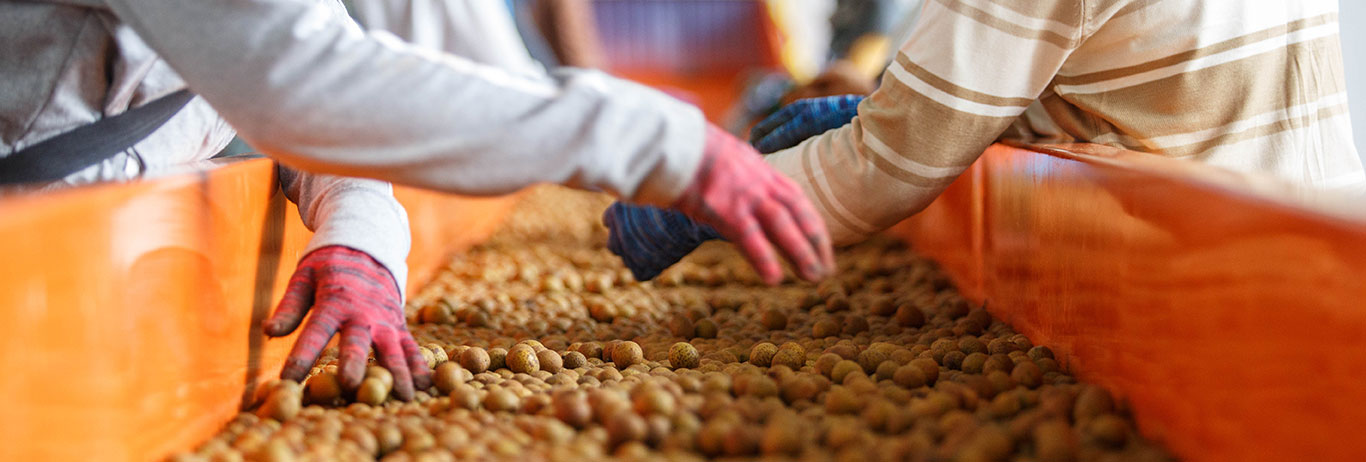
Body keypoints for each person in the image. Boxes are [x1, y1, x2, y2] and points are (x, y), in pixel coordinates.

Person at [0, 0, 834, 401]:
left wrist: (359, 237)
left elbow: (300, 102)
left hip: (97, 274)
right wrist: (661, 146)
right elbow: (299, 83)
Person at [606, 0, 1363, 278]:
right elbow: (1118, 78)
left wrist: (704, 198)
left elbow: (882, 172)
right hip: (1328, 248)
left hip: (1216, 287)